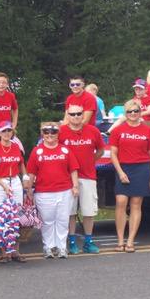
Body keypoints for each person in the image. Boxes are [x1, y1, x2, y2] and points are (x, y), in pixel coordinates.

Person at [109, 99, 150, 253]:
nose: (133, 114)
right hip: (123, 167)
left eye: (136, 111)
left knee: (136, 203)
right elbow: (113, 153)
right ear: (125, 113)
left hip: (142, 168)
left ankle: (130, 241)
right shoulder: (118, 130)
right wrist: (120, 172)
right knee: (121, 201)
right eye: (129, 111)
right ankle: (120, 240)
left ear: (139, 113)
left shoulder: (147, 130)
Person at [25, 122, 79, 259]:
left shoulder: (65, 150)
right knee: (48, 221)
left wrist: (75, 186)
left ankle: (61, 247)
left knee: (62, 219)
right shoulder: (37, 151)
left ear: (57, 135)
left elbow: (73, 169)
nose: (50, 135)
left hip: (64, 190)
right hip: (43, 191)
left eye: (53, 132)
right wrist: (29, 189)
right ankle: (48, 247)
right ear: (42, 134)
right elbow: (31, 172)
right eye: (46, 132)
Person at [59, 105, 105, 255]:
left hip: (88, 175)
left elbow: (100, 150)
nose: (76, 117)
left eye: (79, 114)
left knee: (88, 211)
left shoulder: (93, 131)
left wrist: (90, 160)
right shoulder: (61, 132)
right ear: (68, 115)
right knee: (70, 212)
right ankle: (71, 242)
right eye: (73, 114)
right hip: (67, 178)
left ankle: (88, 242)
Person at [0, 121, 25, 262]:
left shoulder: (15, 146)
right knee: (1, 216)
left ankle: (15, 251)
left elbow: (21, 163)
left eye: (9, 130)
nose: (7, 133)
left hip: (14, 180)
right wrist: (3, 185)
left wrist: (24, 177)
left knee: (16, 215)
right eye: (4, 131)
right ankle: (4, 252)